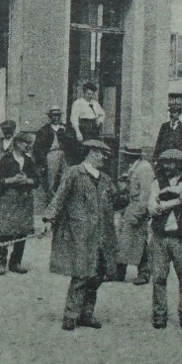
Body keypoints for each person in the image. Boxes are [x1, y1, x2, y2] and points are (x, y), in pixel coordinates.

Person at [43, 137, 118, 331]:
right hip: (80, 235)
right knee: (81, 274)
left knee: (97, 274)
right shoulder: (74, 173)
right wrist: (48, 219)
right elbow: (59, 198)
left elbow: (116, 200)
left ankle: (87, 314)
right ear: (91, 153)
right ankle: (70, 315)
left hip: (101, 235)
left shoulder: (106, 179)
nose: (105, 158)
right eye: (102, 154)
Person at [148, 148, 182, 331]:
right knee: (159, 277)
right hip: (160, 236)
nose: (167, 166)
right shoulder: (156, 183)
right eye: (165, 163)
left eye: (171, 162)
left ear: (180, 165)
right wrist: (175, 201)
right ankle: (159, 315)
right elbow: (152, 209)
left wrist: (165, 199)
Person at [0, 130, 39, 275]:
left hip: (24, 200)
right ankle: (0, 263)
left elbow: (37, 181)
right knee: (3, 231)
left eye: (29, 144)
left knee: (22, 231)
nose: (28, 146)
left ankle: (15, 262)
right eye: (26, 143)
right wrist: (11, 180)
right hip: (8, 199)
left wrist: (27, 180)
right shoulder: (6, 160)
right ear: (17, 143)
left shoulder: (29, 161)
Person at [115, 145, 157, 285]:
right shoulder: (135, 167)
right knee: (123, 241)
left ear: (132, 156)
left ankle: (144, 273)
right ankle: (119, 272)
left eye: (126, 155)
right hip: (130, 206)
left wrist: (139, 213)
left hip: (138, 208)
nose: (124, 157)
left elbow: (146, 193)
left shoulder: (144, 168)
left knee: (139, 242)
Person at [31, 105, 71, 201]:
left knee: (67, 177)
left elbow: (72, 143)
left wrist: (65, 134)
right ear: (50, 117)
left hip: (64, 155)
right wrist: (43, 161)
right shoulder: (44, 130)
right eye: (54, 115)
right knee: (51, 179)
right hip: (51, 155)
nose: (56, 117)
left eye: (58, 115)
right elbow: (38, 147)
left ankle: (64, 202)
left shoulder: (66, 128)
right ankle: (51, 202)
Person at [68, 82, 105, 157]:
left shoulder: (95, 103)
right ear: (84, 93)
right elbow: (74, 118)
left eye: (92, 94)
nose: (90, 96)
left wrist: (99, 121)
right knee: (84, 150)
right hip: (83, 129)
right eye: (88, 94)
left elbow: (102, 114)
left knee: (94, 150)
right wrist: (78, 132)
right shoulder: (78, 103)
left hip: (93, 129)